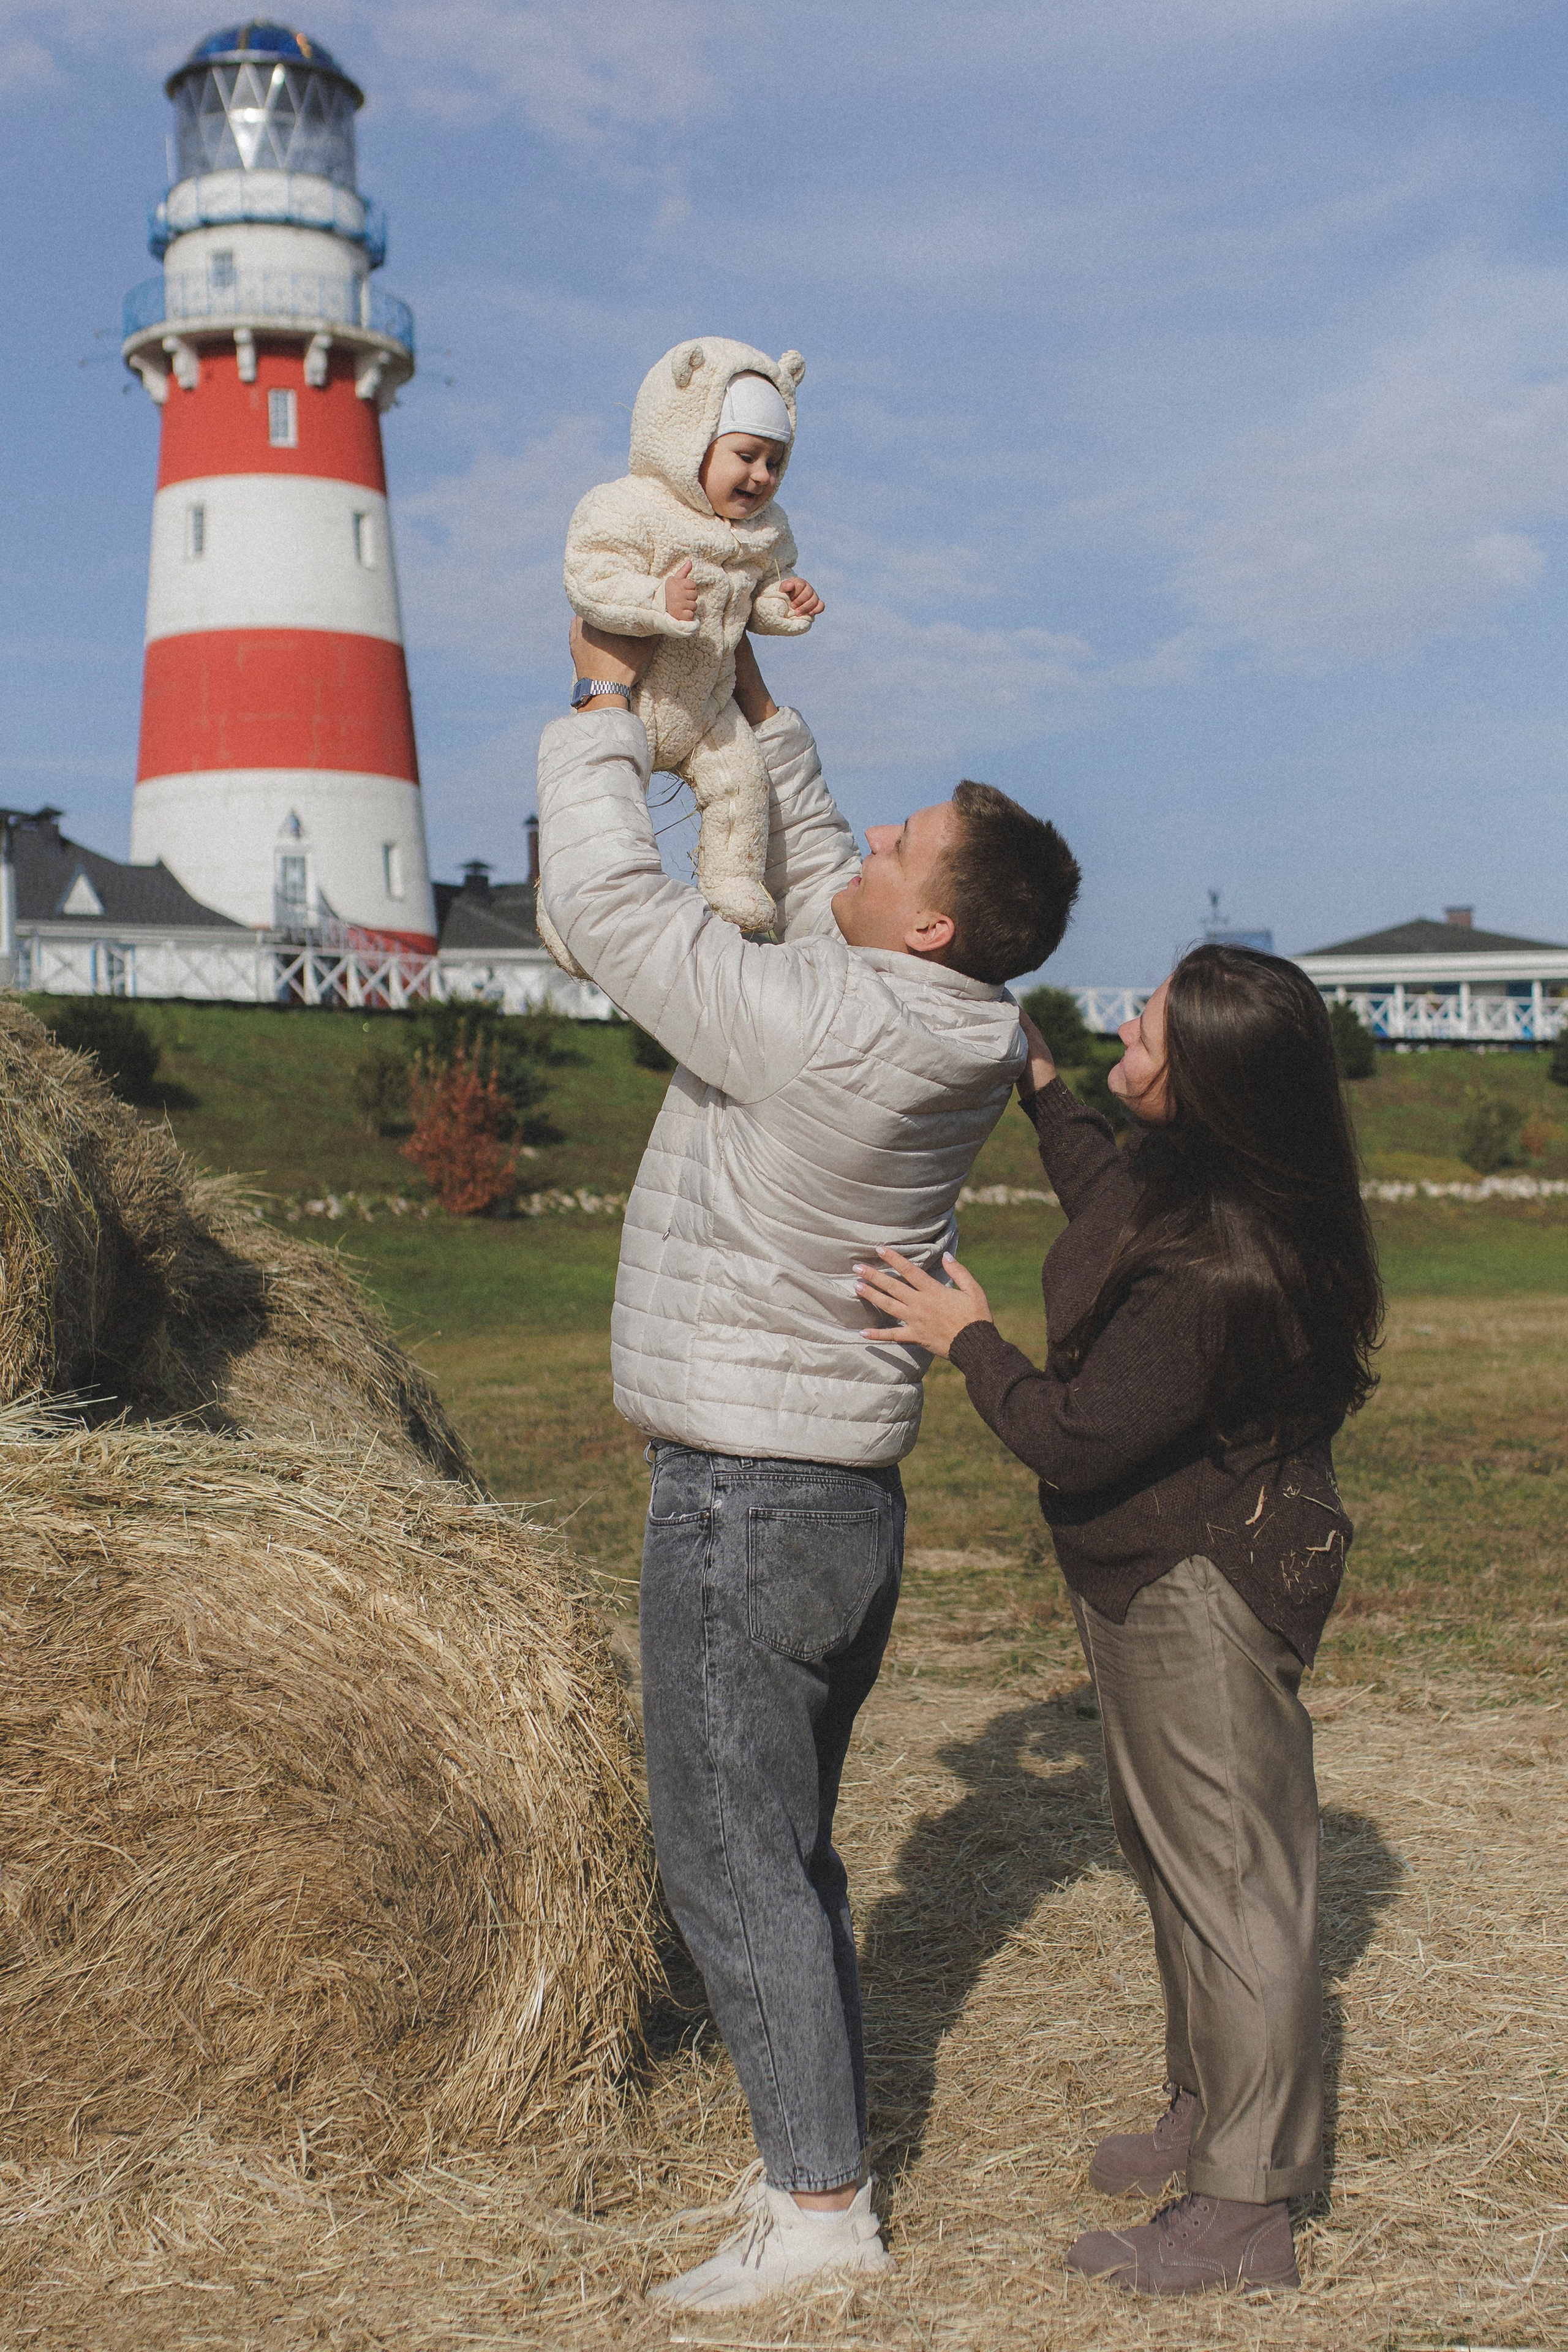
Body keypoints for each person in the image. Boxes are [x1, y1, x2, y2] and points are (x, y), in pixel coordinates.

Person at [536, 621, 1080, 2313]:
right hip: (839, 1497)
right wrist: (765, 715)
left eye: (909, 841)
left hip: (747, 1499)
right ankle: (810, 2144)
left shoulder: (821, 1030)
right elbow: (843, 869)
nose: (876, 840)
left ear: (927, 927)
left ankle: (822, 2211)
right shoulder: (946, 1015)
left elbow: (612, 917)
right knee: (794, 1841)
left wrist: (603, 714)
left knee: (732, 1854)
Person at [853, 948, 1381, 2298]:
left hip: (1200, 1585)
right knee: (1171, 1857)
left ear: (1202, 1084)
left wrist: (963, 1334)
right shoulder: (1186, 1185)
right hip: (1148, 1575)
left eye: (1142, 1031)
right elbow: (1101, 1195)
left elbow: (1073, 1439)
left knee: (1232, 1886)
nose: (1118, 1035)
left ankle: (1242, 2210)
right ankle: (1209, 2115)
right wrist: (1035, 1084)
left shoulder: (1214, 1266)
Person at [540, 336, 821, 979]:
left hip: (709, 704)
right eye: (745, 456)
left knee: (741, 785)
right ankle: (563, 916)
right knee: (603, 811)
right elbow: (589, 576)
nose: (760, 476)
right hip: (635, 695)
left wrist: (788, 604)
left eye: (775, 463)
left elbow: (762, 602)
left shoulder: (767, 531)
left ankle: (731, 891)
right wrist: (653, 598)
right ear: (686, 438)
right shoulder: (630, 506)